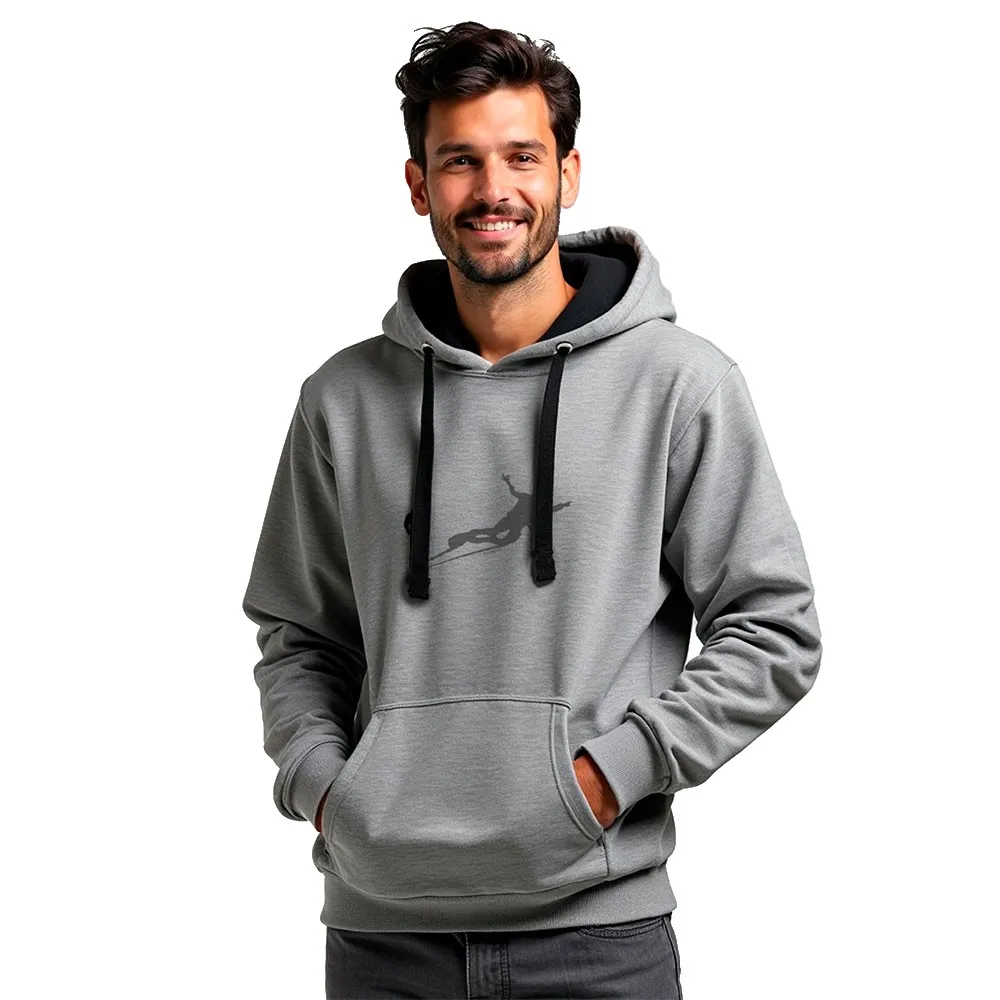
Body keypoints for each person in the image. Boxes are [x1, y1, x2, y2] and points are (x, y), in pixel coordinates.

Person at [241, 20, 823, 1000]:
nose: (492, 189)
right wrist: (329, 789)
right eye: (459, 161)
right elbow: (302, 635)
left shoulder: (679, 385)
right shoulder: (342, 400)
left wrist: (607, 776)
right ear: (419, 185)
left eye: (521, 156)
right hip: (384, 938)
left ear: (568, 173)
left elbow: (774, 628)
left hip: (598, 937)